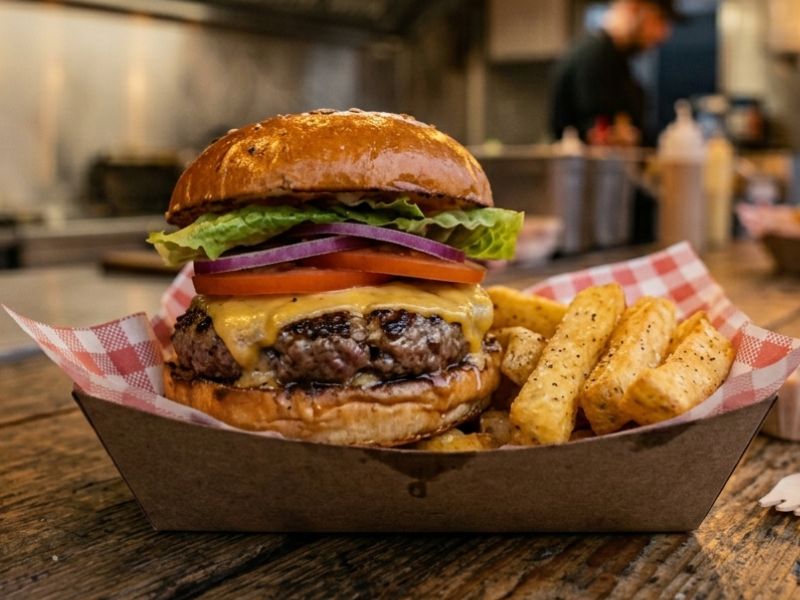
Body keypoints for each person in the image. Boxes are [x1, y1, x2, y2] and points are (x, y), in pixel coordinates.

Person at [551, 0, 681, 145]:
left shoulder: (618, 60)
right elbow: (595, 130)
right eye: (660, 20)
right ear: (633, 8)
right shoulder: (595, 56)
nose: (664, 34)